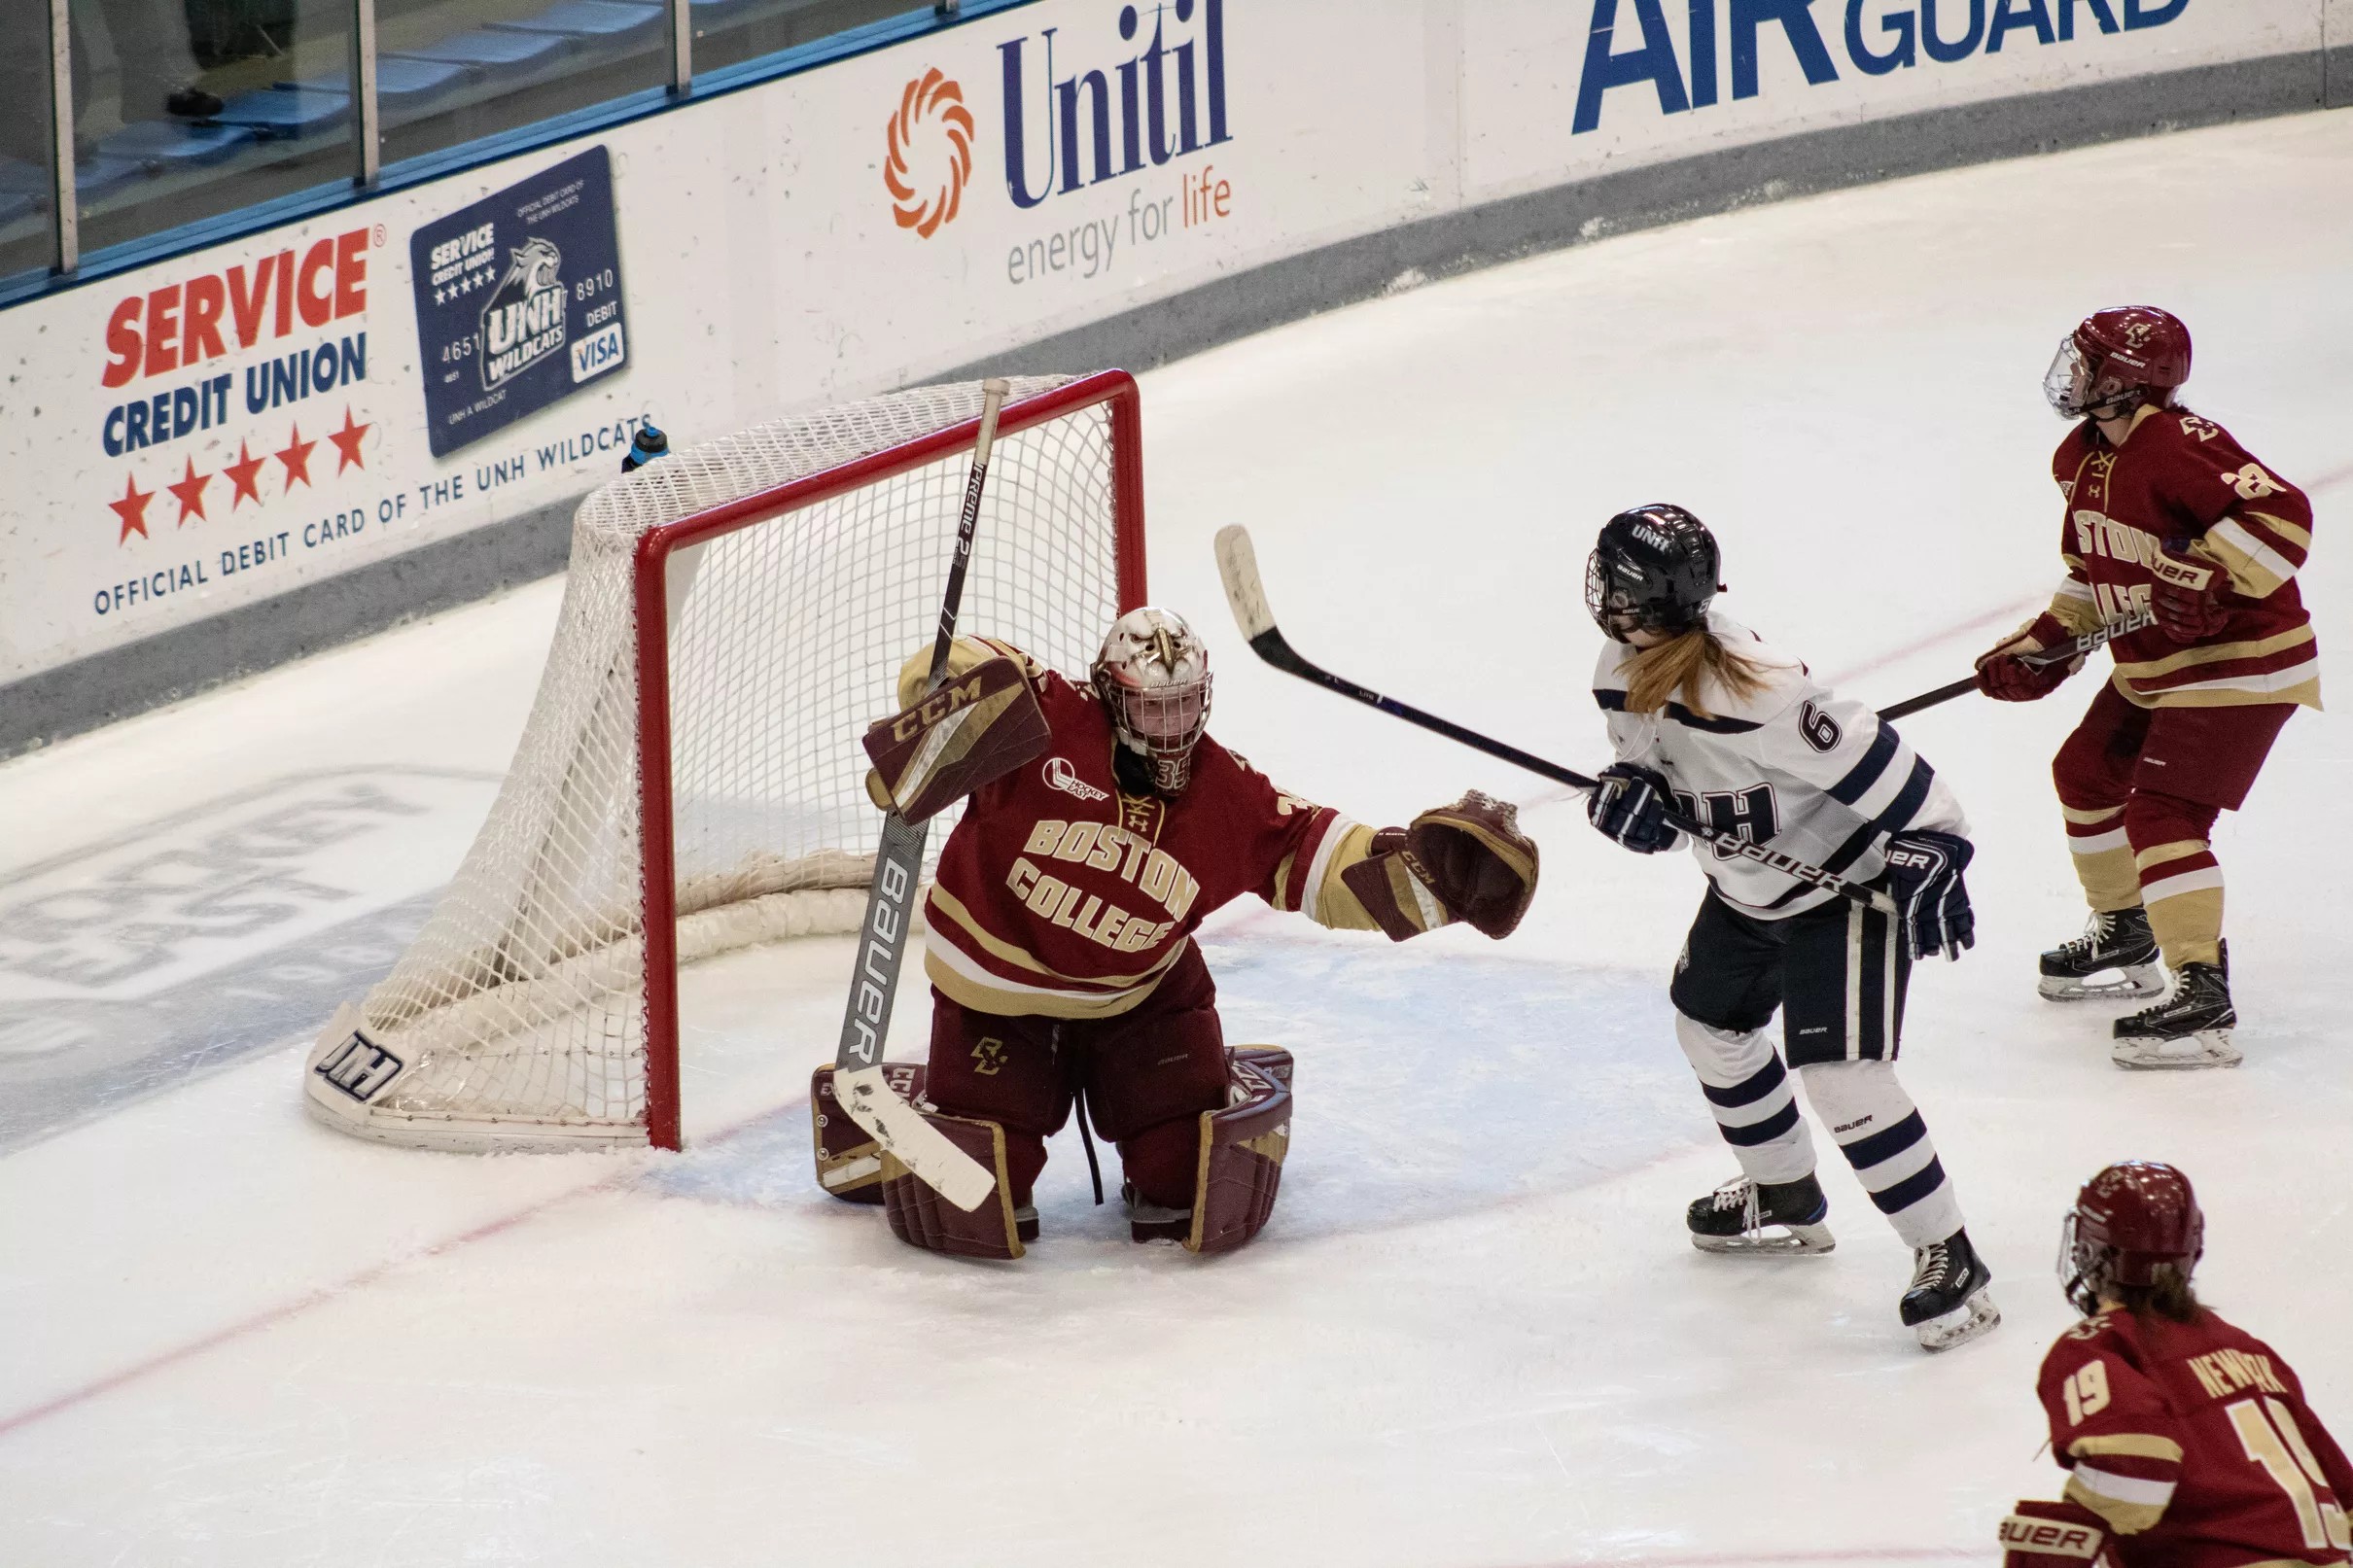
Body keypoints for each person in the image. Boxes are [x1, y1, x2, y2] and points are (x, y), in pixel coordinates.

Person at [849, 606, 1540, 1260]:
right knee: (979, 1188)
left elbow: (1316, 854)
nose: (1171, 726)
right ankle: (925, 1098)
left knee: (1186, 1178)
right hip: (997, 996)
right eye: (1151, 706)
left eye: (1184, 704)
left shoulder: (1224, 792)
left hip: (1140, 999)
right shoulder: (1044, 721)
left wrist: (1429, 878)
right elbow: (985, 661)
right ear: (1111, 696)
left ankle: (1208, 1078)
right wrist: (944, 685)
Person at [1582, 504, 1997, 1351]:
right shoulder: (1619, 668)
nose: (1599, 593)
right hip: (1745, 892)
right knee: (1710, 1025)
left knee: (1842, 1073)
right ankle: (1784, 1193)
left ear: (1642, 600)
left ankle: (1948, 1252)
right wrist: (1629, 795)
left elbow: (1900, 779)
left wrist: (1937, 848)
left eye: (1613, 582)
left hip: (1842, 893)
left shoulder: (1762, 689)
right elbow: (1640, 761)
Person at [1976, 307, 2317, 1070]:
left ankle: (2201, 992)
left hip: (2244, 657)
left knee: (2163, 812)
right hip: (2159, 661)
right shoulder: (2082, 456)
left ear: (2131, 379)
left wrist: (2217, 577)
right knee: (2085, 773)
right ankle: (2126, 926)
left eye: (2088, 364)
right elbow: (2092, 574)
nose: (2072, 374)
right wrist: (2044, 646)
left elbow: (2285, 518)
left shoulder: (2180, 444)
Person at [2001, 1161, 2352, 1568]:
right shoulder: (2248, 1349)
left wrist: (2066, 1532)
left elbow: (2133, 1478)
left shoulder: (2100, 1345)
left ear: (2090, 1252)